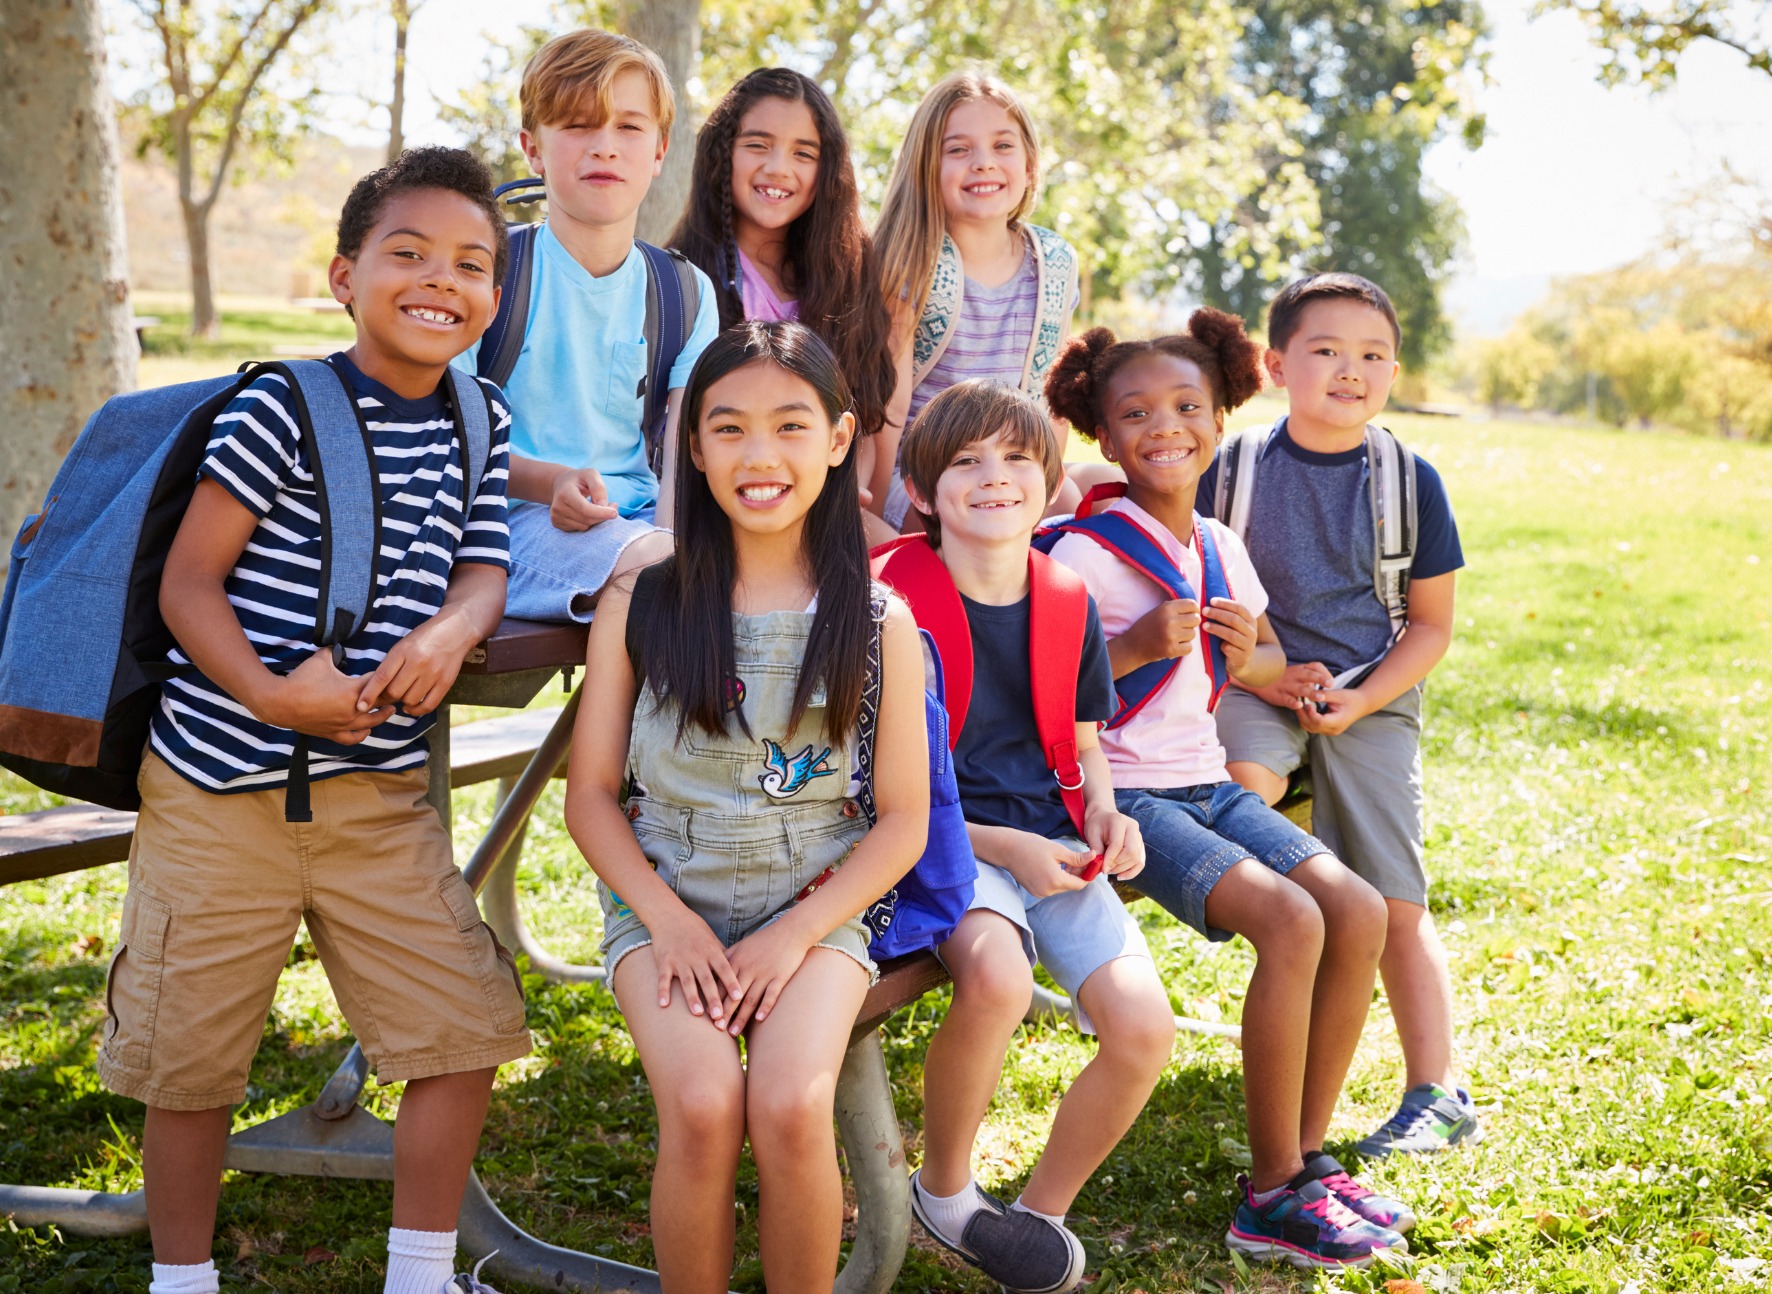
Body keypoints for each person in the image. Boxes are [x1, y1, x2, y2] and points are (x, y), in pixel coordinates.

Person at [109, 148, 526, 1294]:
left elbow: (484, 568)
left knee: (463, 1030)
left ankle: (419, 1272)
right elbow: (189, 585)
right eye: (408, 253)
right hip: (216, 791)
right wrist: (271, 690)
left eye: (472, 264)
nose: (441, 279)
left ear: (494, 297)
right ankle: (181, 1280)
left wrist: (449, 633)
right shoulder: (279, 405)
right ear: (345, 275)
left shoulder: (480, 418)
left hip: (376, 797)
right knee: (191, 1062)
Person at [1041, 309, 1411, 1269]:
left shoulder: (1216, 541)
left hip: (1207, 781)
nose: (1165, 426)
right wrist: (1127, 647)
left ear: (1218, 414)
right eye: (1136, 413)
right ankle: (1271, 1190)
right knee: (1292, 921)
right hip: (1128, 798)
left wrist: (1256, 657)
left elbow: (1264, 662)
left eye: (1186, 405)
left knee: (1358, 911)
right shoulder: (1081, 555)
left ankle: (1309, 1158)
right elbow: (1046, 697)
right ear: (1104, 433)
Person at [564, 321, 929, 1294]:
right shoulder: (641, 597)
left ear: (841, 436)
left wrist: (794, 935)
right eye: (727, 429)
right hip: (665, 901)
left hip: (812, 908)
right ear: (692, 448)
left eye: (789, 426)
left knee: (791, 1101)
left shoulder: (881, 620)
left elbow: (901, 820)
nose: (758, 456)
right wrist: (667, 922)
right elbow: (592, 798)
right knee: (698, 1101)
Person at [883, 381, 1174, 1294]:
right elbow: (871, 787)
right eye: (965, 462)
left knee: (1143, 1028)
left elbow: (1085, 745)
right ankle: (943, 1192)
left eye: (1016, 458)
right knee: (1001, 978)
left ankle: (1037, 1217)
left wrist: (1105, 811)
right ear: (925, 494)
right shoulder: (891, 599)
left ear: (1051, 481)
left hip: (1051, 841)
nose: (994, 477)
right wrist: (1004, 848)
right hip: (937, 843)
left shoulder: (1067, 596)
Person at [1202, 273, 1475, 1158]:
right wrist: (1266, 676)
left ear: (1393, 373)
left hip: (1371, 689)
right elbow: (1191, 579)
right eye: (1325, 351)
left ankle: (1436, 1089)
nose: (1349, 371)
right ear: (1277, 364)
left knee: (1395, 901)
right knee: (1245, 787)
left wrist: (1359, 697)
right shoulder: (1230, 466)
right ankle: (1292, 965)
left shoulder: (1409, 479)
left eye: (1370, 356)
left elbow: (1429, 629)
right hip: (1251, 679)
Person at [456, 29, 719, 623]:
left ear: (659, 151)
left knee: (721, 579)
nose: (604, 147)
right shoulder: (486, 272)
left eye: (628, 127)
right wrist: (550, 483)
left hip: (640, 529)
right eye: (578, 124)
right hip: (504, 530)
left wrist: (681, 544)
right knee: (662, 581)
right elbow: (451, 437)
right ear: (533, 149)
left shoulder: (683, 292)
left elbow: (679, 457)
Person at [871, 69, 1087, 532]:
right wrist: (872, 517)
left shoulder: (1053, 263)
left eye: (1003, 146)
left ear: (1029, 165)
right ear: (927, 167)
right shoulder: (910, 261)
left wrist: (1039, 489)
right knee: (956, 524)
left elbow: (1050, 400)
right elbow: (889, 404)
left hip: (1013, 465)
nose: (984, 163)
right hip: (923, 475)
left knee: (1084, 504)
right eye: (958, 149)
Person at [665, 69, 894, 470]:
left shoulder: (848, 276)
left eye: (803, 153)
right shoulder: (681, 279)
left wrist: (847, 493)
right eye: (758, 145)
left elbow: (865, 424)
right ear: (723, 154)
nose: (778, 168)